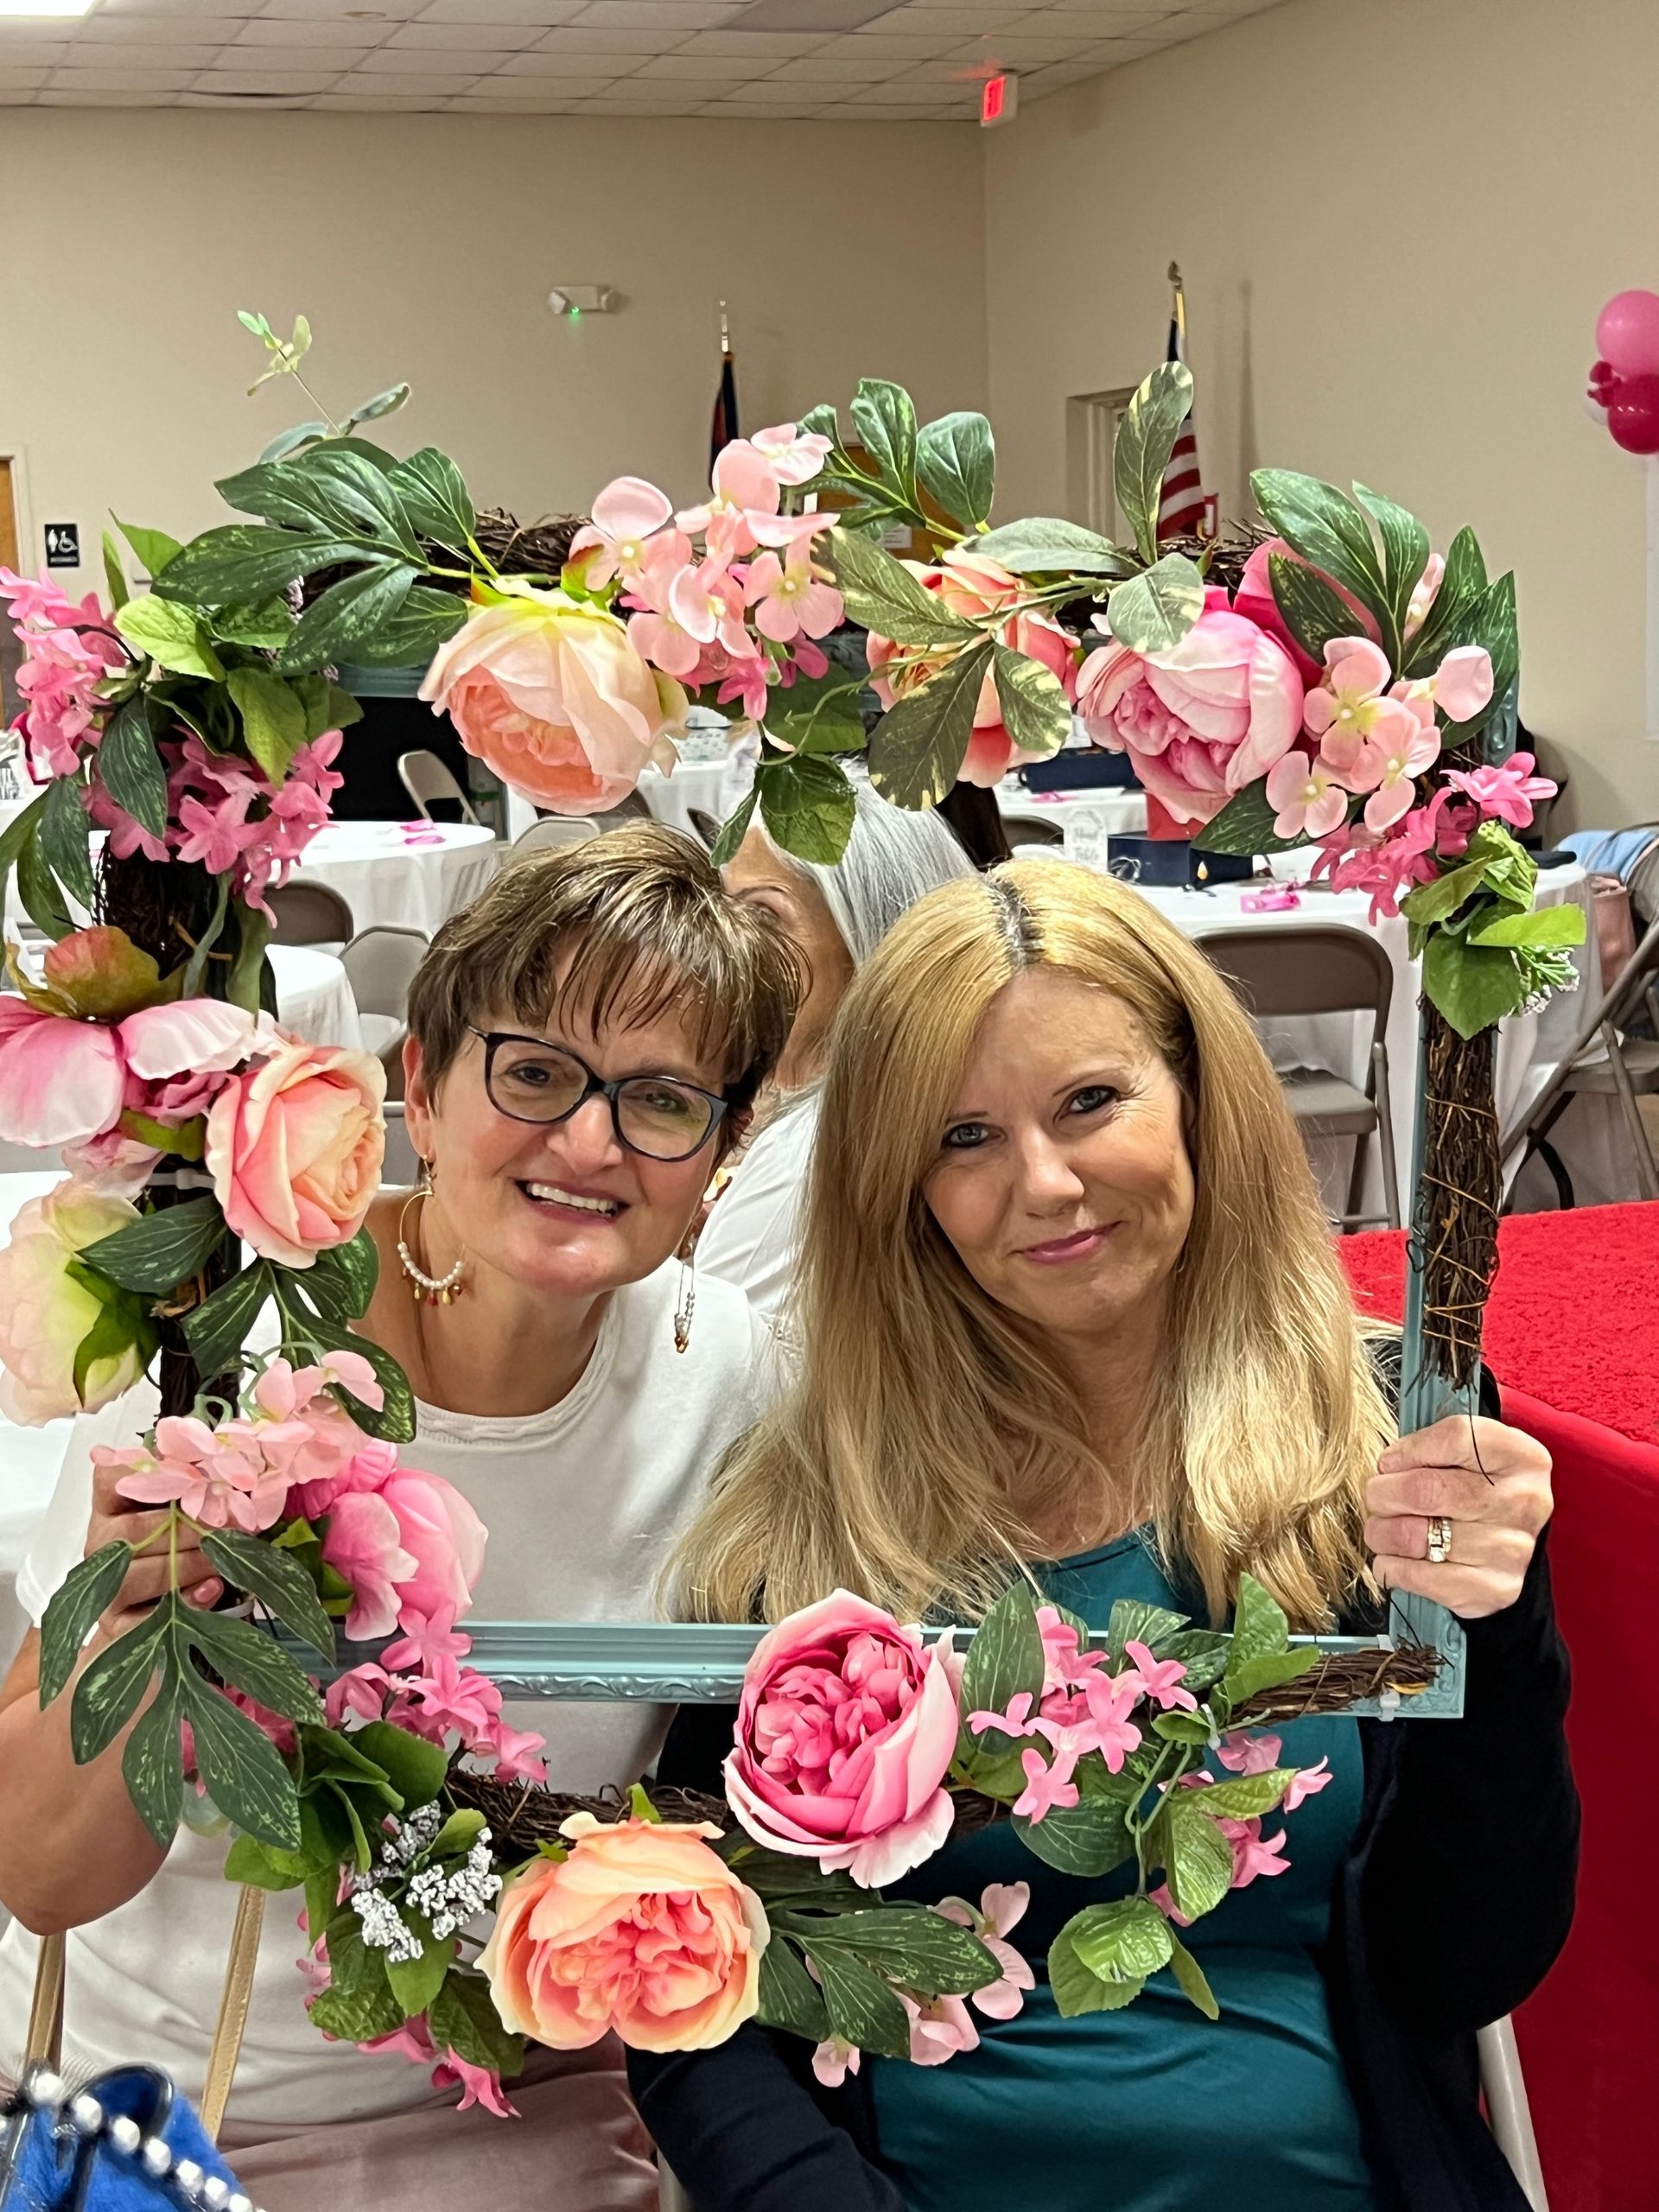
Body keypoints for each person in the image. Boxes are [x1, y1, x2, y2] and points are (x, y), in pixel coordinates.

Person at [634, 860, 1577, 2212]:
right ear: (899, 1186)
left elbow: (1466, 1965)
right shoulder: (815, 1501)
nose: (1044, 1183)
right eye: (964, 1137)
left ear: (1197, 1094)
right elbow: (704, 1982)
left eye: (1090, 1102)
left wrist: (1499, 1629)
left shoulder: (1388, 1439)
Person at [0, 824, 802, 2212]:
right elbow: (43, 1876)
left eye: (664, 1100)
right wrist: (139, 1634)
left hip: (525, 2105)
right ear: (419, 1089)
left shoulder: (735, 1384)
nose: (590, 1141)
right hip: (167, 2107)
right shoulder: (224, 1339)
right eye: (534, 1072)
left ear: (723, 1151)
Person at [697, 778, 976, 1321]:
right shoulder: (938, 1096)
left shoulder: (815, 1154)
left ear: (867, 937)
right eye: (727, 917)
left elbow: (694, 1354)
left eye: (762, 919)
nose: (727, 952)